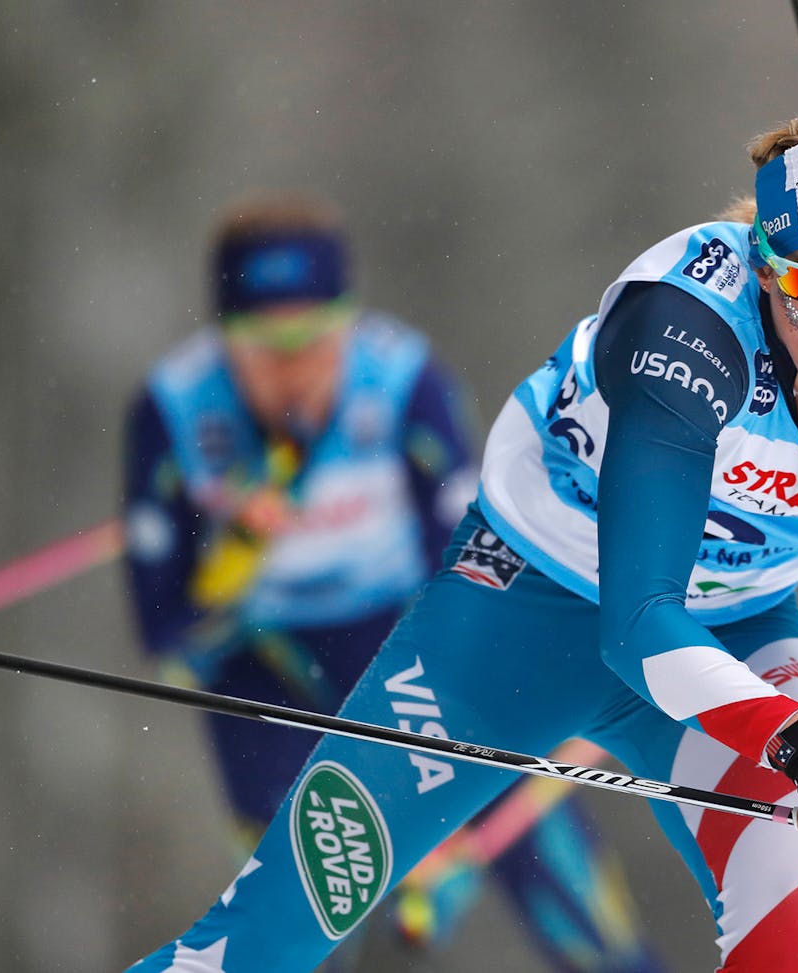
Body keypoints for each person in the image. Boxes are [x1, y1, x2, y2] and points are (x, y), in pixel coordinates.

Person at [128, 109, 798, 973]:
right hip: (517, 618)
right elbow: (639, 626)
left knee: (794, 902)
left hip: (738, 633)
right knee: (258, 947)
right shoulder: (680, 330)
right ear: (764, 273)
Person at [121, 191, 664, 973]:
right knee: (293, 914)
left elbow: (488, 556)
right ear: (222, 340)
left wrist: (582, 676)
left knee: (553, 866)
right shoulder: (174, 410)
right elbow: (165, 631)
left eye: (316, 335)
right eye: (261, 341)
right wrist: (233, 546)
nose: (293, 366)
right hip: (257, 663)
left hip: (400, 633)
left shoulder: (400, 378)